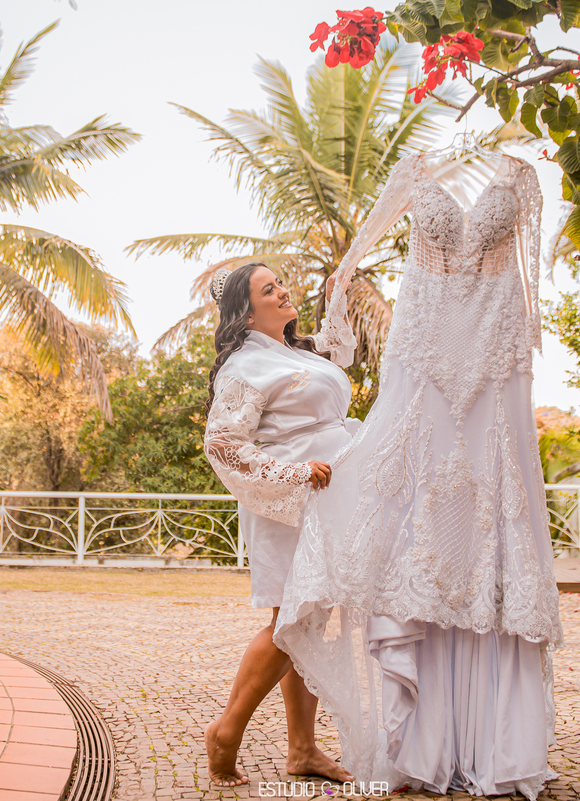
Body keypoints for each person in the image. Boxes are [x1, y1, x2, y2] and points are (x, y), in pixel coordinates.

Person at [274, 149, 565, 798]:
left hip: (495, 349)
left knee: (494, 516)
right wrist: (340, 288)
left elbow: (533, 274)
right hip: (425, 346)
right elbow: (358, 251)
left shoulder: (519, 175)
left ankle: (497, 744)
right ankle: (422, 744)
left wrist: (528, 328)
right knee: (419, 516)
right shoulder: (414, 167)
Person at [201, 261, 358, 787]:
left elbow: (341, 359)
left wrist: (337, 300)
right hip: (292, 501)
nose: (284, 291)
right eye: (269, 289)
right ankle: (226, 730)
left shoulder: (294, 353)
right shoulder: (245, 366)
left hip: (331, 498)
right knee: (291, 622)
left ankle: (302, 749)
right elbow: (223, 443)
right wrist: (291, 473)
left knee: (308, 623)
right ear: (246, 312)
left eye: (281, 283)